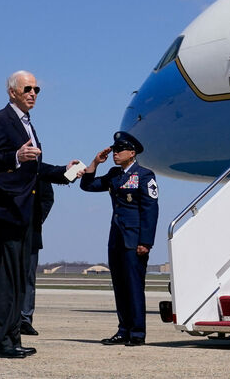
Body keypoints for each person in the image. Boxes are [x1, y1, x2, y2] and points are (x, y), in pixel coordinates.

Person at [0, 70, 77, 358]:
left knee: (20, 279)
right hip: (8, 210)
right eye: (28, 89)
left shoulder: (27, 124)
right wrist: (15, 157)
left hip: (26, 214)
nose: (33, 93)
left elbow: (37, 170)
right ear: (12, 92)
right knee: (7, 279)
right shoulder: (0, 119)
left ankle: (13, 337)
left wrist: (66, 172)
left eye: (37, 89)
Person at [79, 131, 159, 347]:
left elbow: (150, 210)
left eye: (120, 150)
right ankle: (123, 330)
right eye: (114, 150)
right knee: (120, 287)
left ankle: (137, 333)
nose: (115, 153)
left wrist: (146, 242)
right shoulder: (114, 174)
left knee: (133, 287)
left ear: (132, 153)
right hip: (116, 239)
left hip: (135, 240)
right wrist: (95, 163)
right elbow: (87, 185)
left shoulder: (145, 175)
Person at [19, 177, 54, 336]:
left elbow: (48, 198)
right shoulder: (6, 169)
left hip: (32, 233)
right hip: (7, 231)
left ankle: (25, 319)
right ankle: (7, 319)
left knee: (28, 279)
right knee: (6, 278)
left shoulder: (40, 174)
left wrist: (38, 219)